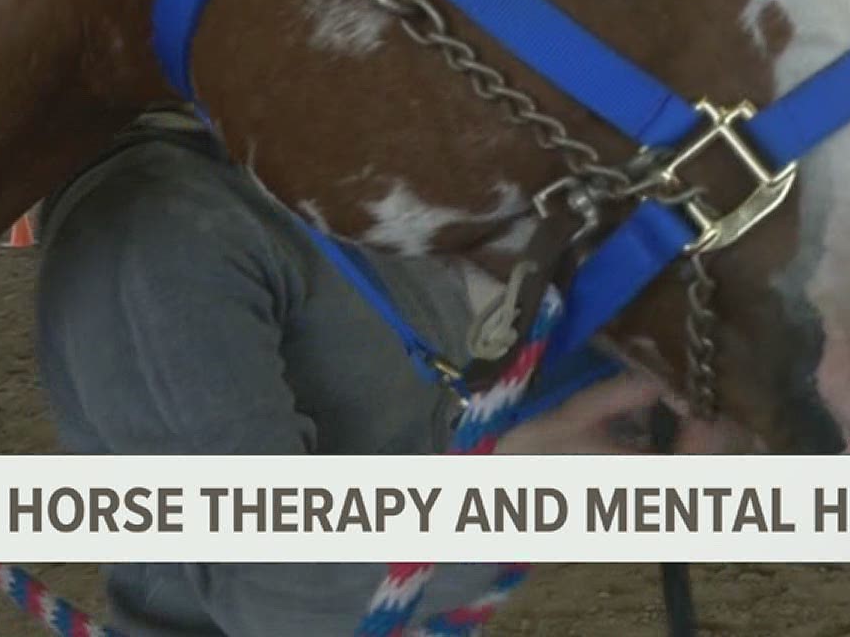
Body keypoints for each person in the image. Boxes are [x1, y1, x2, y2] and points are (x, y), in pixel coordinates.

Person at [35, 108, 733, 636]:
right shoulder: (160, 233)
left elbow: (440, 396)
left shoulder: (337, 166)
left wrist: (664, 368)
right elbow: (271, 588)